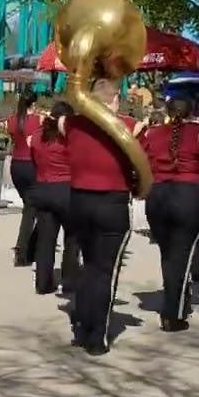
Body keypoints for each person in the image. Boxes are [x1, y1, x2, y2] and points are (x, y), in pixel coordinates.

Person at [61, 78, 139, 355]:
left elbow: (60, 122)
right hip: (112, 202)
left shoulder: (72, 125)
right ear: (115, 99)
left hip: (80, 201)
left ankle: (82, 327)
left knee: (89, 266)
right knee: (105, 271)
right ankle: (97, 336)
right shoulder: (128, 127)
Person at [139, 97, 199, 332]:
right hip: (187, 194)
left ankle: (178, 297)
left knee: (168, 254)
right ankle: (173, 313)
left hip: (157, 194)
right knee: (182, 254)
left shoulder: (152, 134)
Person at [28, 100, 74, 295]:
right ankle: (69, 280)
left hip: (43, 187)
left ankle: (43, 282)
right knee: (72, 238)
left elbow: (33, 159)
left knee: (45, 239)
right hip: (65, 188)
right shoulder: (68, 138)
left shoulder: (38, 136)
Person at [5, 90, 42, 266]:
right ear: (33, 104)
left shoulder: (12, 121)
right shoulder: (38, 121)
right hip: (32, 165)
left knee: (31, 207)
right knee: (32, 210)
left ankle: (27, 248)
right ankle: (24, 249)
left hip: (16, 165)